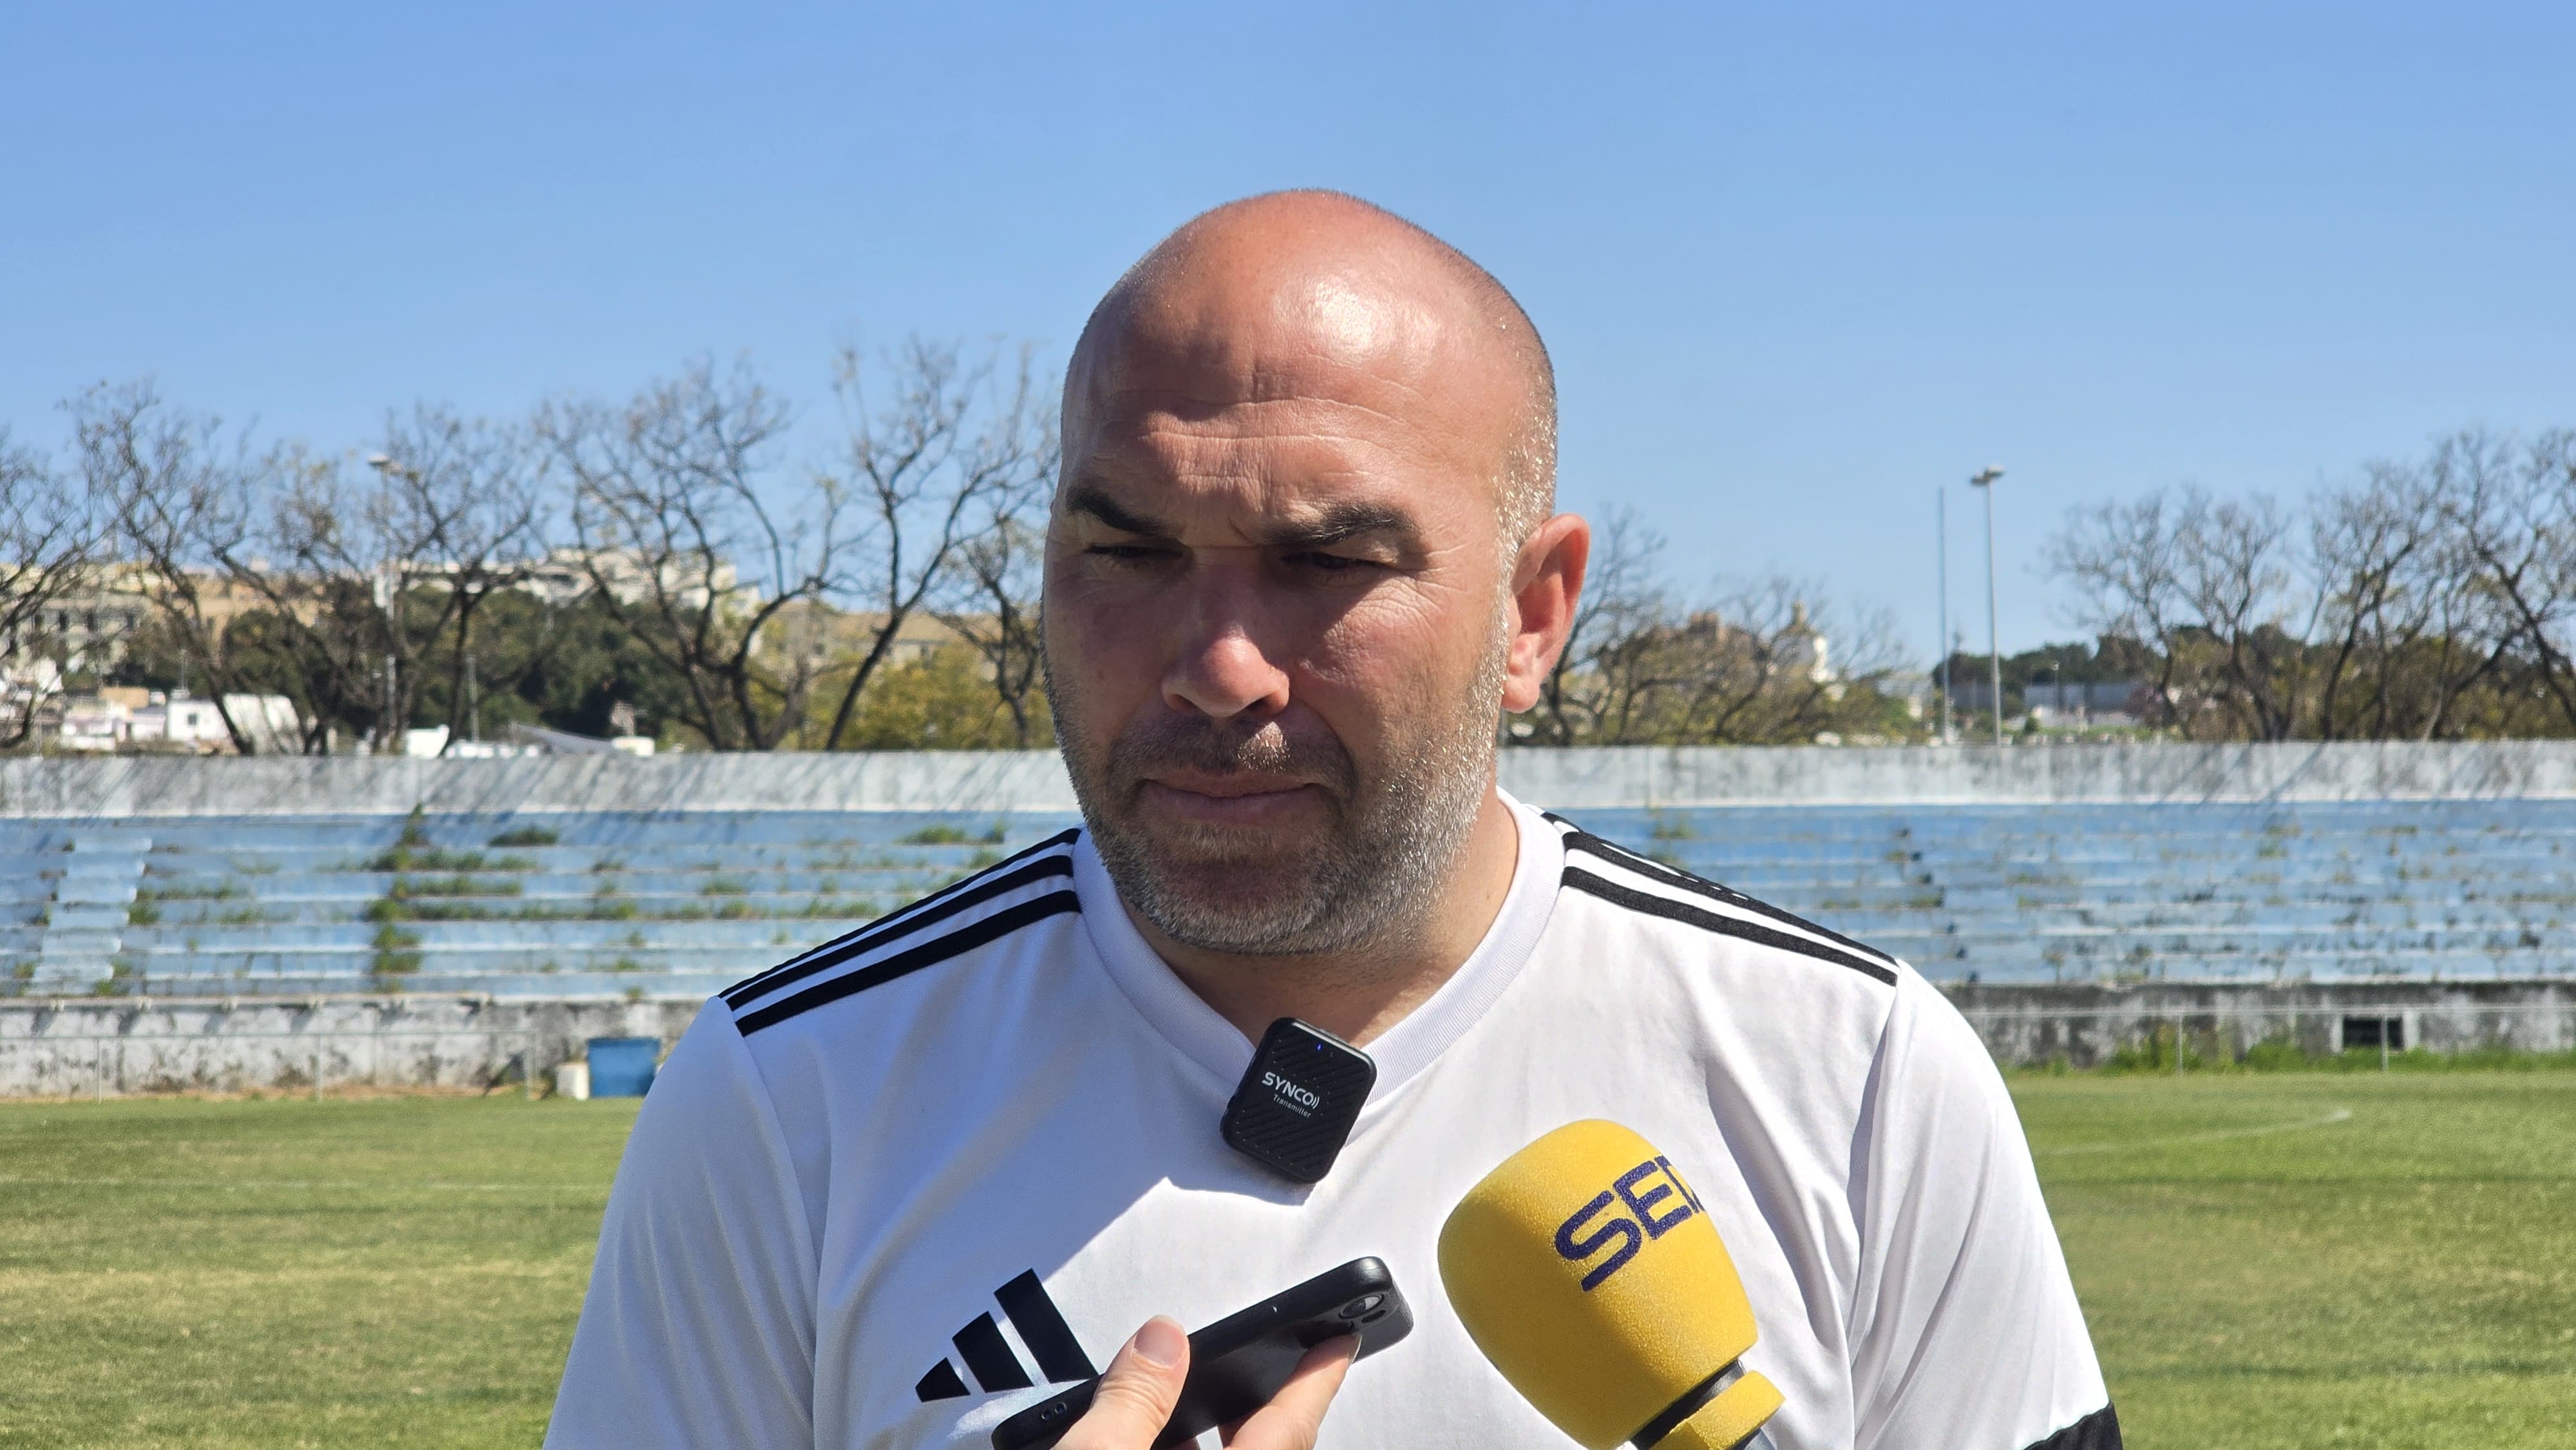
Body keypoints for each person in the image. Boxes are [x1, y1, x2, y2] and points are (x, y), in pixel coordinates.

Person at [546, 191, 2119, 1450]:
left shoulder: (1855, 1071)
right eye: (1129, 550)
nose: (1217, 665)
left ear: (1529, 613)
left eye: (1323, 563)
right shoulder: (789, 1098)